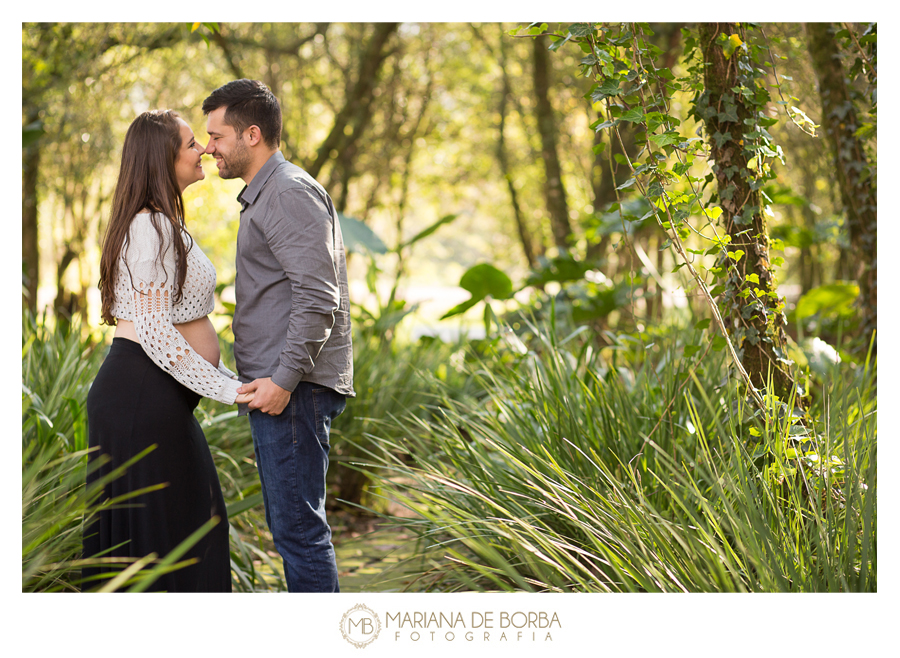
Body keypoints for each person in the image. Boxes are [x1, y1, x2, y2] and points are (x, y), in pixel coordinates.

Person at [83, 109, 253, 592]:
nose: (203, 149)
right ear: (162, 158)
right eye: (190, 143)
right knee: (182, 535)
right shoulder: (149, 228)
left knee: (174, 535)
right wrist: (230, 390)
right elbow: (156, 333)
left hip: (151, 398)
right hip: (141, 395)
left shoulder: (159, 224)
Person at [201, 79, 355, 593]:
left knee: (299, 533)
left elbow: (318, 298)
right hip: (282, 392)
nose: (209, 148)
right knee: (293, 529)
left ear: (251, 134)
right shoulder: (268, 194)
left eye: (217, 136)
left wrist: (284, 381)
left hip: (294, 393)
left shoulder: (287, 192)